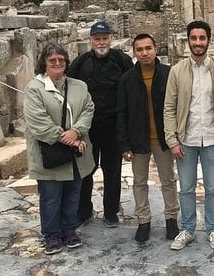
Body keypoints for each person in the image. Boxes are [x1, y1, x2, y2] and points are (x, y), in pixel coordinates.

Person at [163, 21, 214, 251]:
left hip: (212, 138)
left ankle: (212, 228)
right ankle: (188, 228)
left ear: (209, 40)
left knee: (212, 188)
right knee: (187, 188)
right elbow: (169, 107)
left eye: (202, 38)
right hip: (186, 140)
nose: (198, 42)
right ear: (188, 40)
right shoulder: (177, 70)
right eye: (194, 38)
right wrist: (172, 140)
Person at [24, 43, 95, 254]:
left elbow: (88, 109)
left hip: (75, 154)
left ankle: (69, 230)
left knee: (73, 193)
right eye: (52, 60)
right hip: (50, 153)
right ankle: (52, 235)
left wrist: (77, 131)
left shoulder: (79, 86)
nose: (57, 63)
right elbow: (38, 123)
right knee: (51, 196)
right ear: (44, 63)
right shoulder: (34, 89)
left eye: (61, 60)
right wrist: (70, 139)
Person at [69, 21, 133, 228]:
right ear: (91, 41)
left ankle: (111, 211)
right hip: (87, 128)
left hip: (113, 126)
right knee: (86, 169)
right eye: (97, 39)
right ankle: (84, 211)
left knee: (112, 170)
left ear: (110, 39)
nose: (101, 42)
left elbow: (133, 86)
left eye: (104, 38)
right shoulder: (81, 62)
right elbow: (68, 90)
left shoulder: (122, 60)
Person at [116, 34, 179, 243]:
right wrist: (124, 143)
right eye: (140, 49)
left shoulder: (169, 74)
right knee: (139, 182)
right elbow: (122, 112)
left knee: (168, 180)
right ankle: (143, 220)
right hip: (138, 139)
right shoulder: (127, 79)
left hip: (163, 139)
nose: (144, 53)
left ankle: (171, 219)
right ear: (134, 52)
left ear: (155, 49)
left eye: (148, 48)